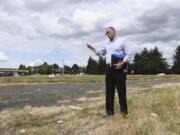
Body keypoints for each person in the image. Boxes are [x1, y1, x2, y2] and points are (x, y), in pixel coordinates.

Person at [86, 26, 132, 118]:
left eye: (108, 32)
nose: (107, 34)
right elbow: (101, 52)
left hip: (120, 68)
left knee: (121, 91)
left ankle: (124, 113)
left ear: (114, 32)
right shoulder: (106, 43)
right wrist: (92, 48)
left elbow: (129, 54)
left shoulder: (122, 41)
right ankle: (110, 113)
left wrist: (122, 63)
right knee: (109, 91)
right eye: (106, 33)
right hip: (109, 69)